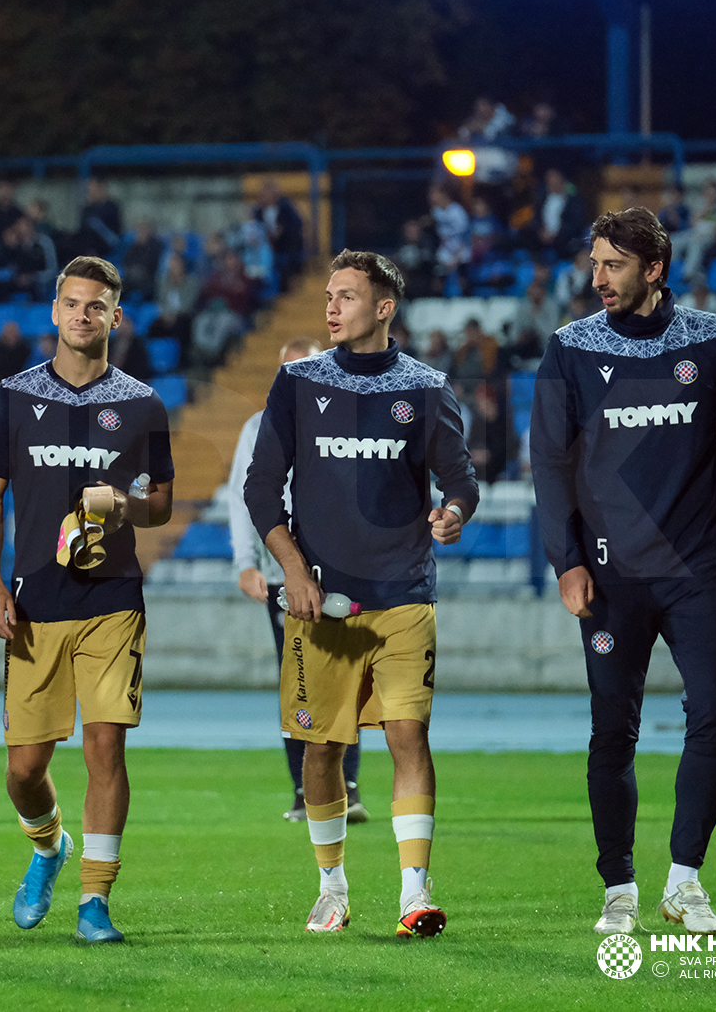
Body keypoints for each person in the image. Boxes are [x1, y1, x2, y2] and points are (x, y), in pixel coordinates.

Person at [529, 208, 716, 938]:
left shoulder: (711, 340)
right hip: (610, 580)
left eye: (612, 264)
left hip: (698, 572)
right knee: (613, 731)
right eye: (594, 264)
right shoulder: (569, 348)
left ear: (654, 269)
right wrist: (566, 561)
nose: (597, 278)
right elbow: (549, 465)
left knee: (712, 716)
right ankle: (619, 887)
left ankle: (685, 882)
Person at [245, 249, 478, 937]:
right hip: (322, 603)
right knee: (322, 750)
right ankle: (332, 888)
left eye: (347, 296)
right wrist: (290, 568)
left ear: (384, 308)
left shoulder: (428, 388)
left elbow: (460, 480)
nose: (331, 307)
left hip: (405, 594)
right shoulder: (295, 384)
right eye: (328, 295)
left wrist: (454, 513)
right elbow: (261, 489)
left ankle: (414, 891)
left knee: (409, 735)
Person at [0, 255, 175, 944]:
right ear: (54, 312)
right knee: (24, 770)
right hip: (33, 604)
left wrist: (123, 506)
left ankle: (95, 900)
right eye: (72, 304)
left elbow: (161, 505)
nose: (83, 316)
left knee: (104, 749)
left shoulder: (143, 404)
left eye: (97, 306)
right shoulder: (16, 396)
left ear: (116, 317)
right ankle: (48, 847)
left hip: (113, 601)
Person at [226, 337, 370, 824]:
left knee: (348, 679)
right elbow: (243, 495)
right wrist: (246, 561)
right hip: (281, 573)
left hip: (344, 569)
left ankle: (347, 788)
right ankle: (304, 790)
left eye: (305, 368)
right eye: (289, 369)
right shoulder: (259, 425)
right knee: (300, 681)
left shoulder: (347, 416)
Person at [253, 179, 305, 285]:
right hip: (266, 248)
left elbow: (296, 226)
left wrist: (281, 232)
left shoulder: (286, 207)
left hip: (286, 248)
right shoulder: (258, 211)